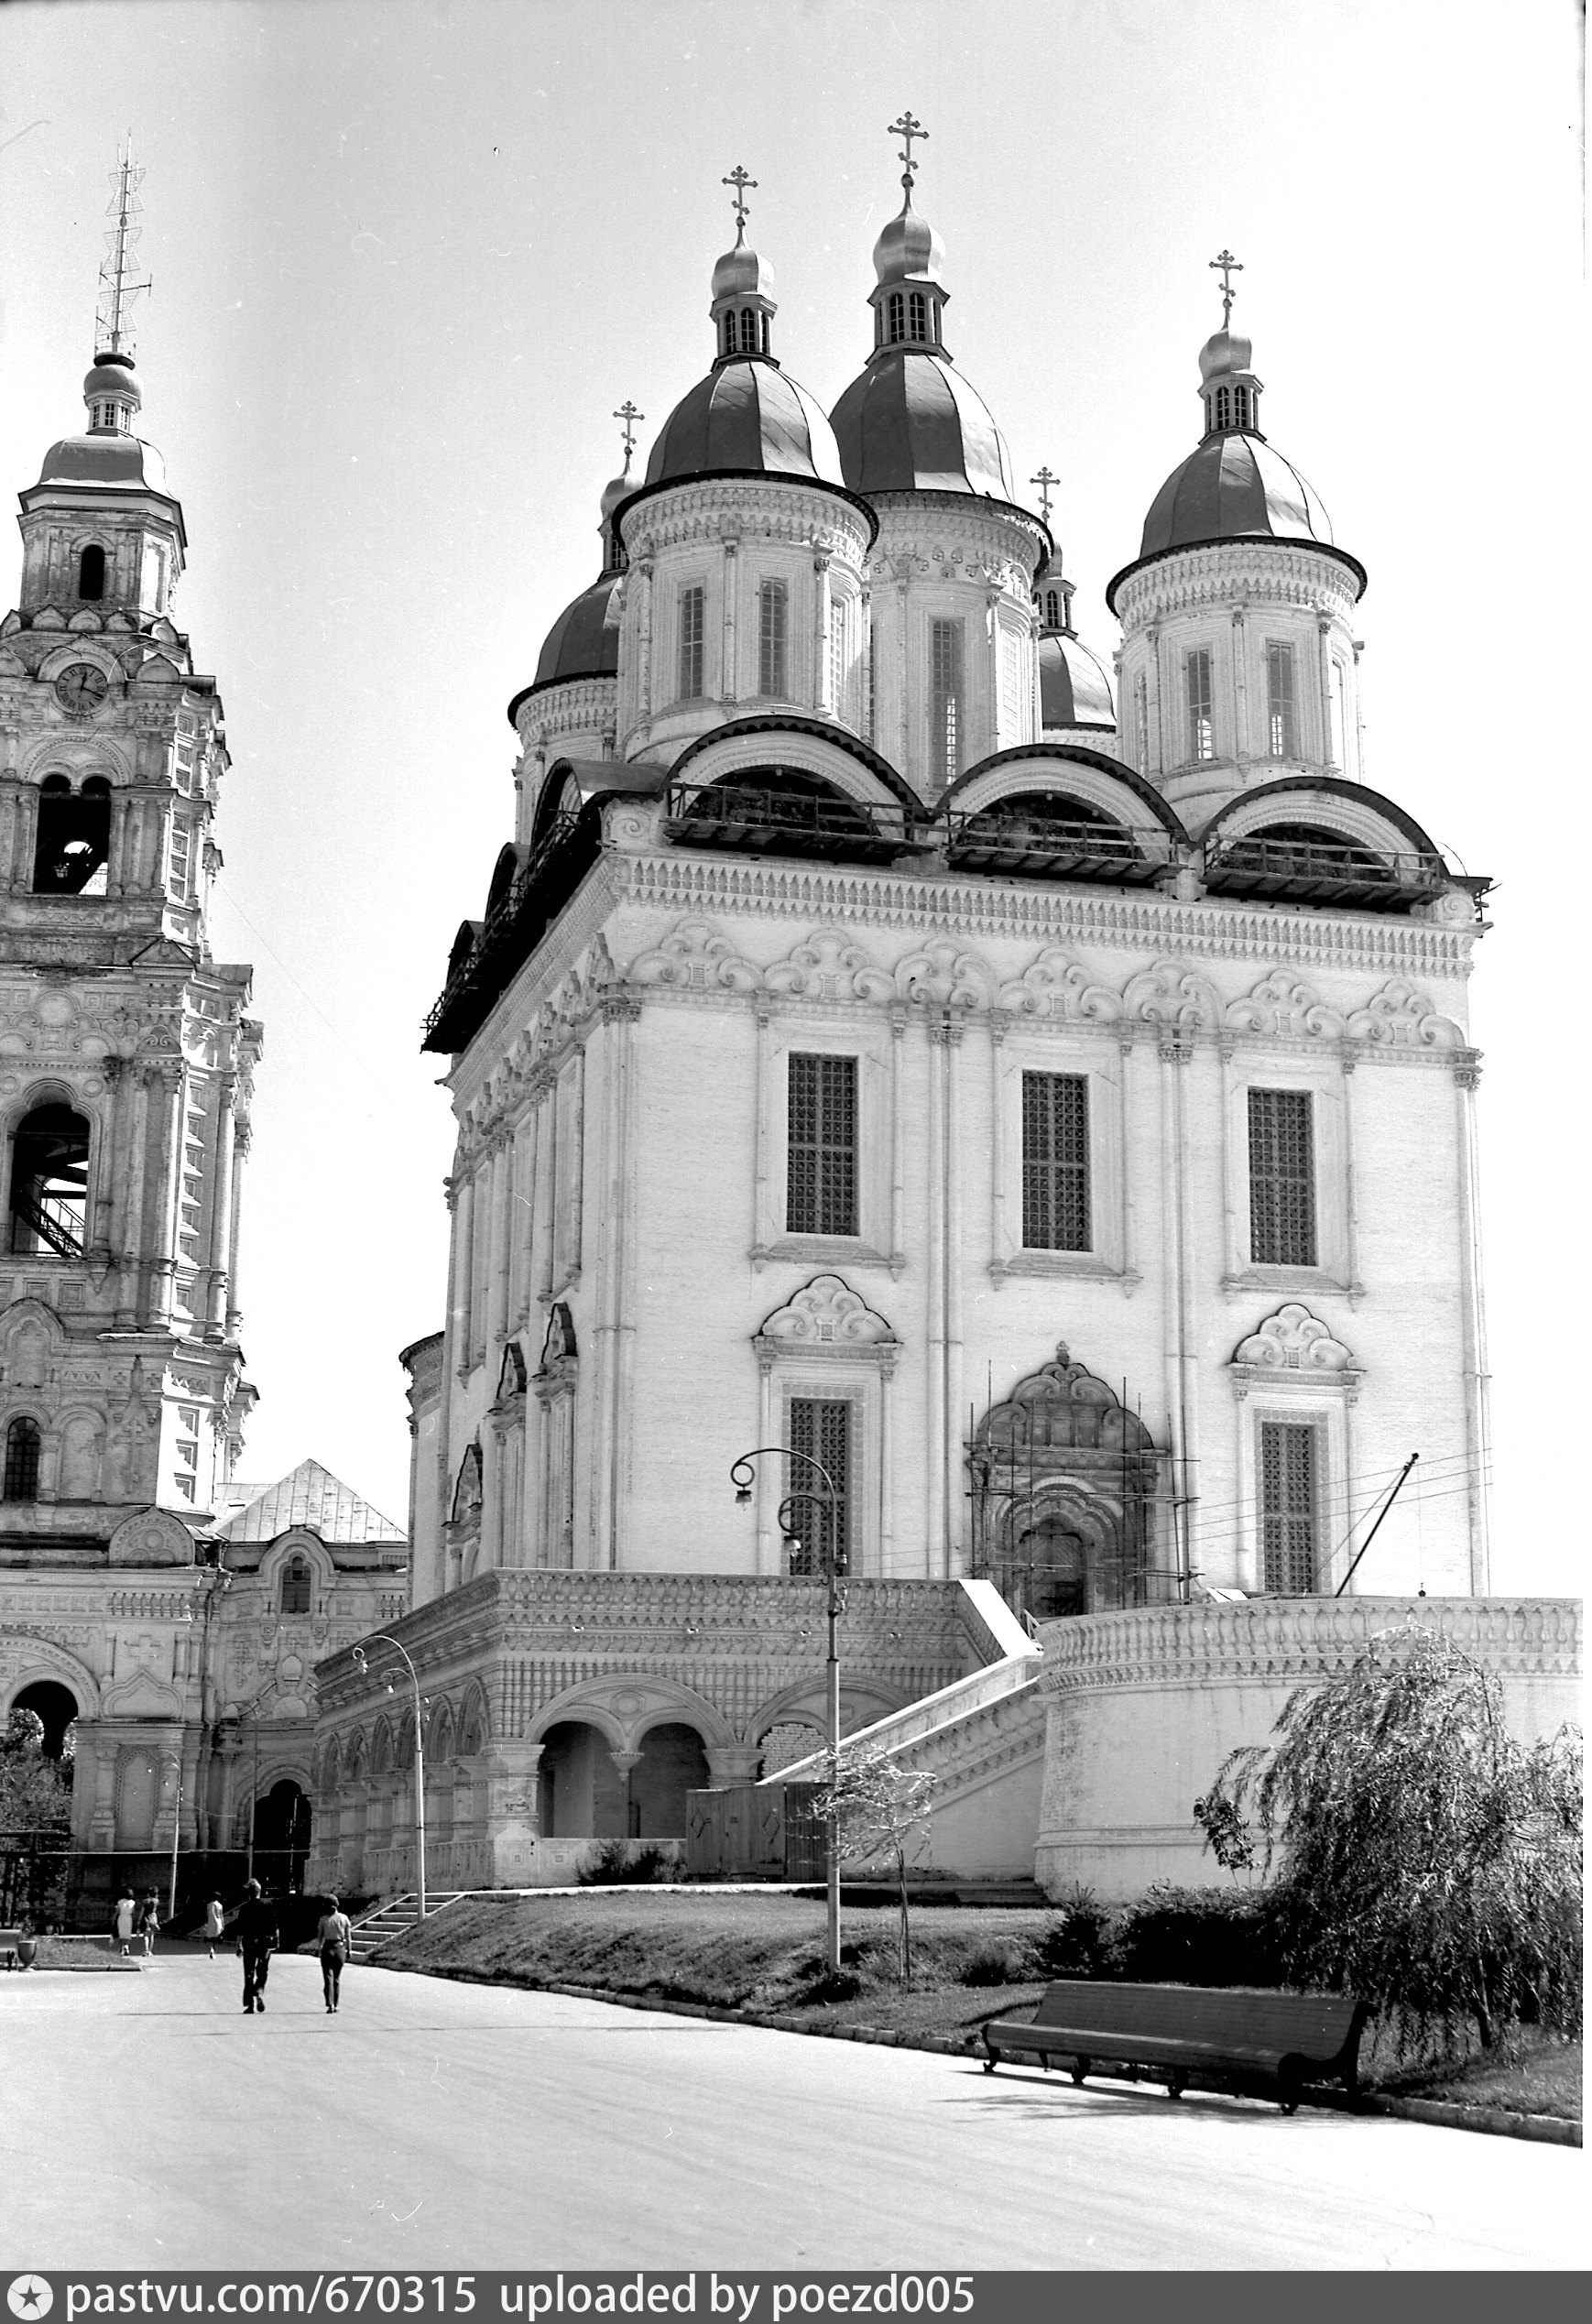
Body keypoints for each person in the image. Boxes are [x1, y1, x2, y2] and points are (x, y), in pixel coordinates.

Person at [234, 1879, 278, 2013]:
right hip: (264, 1943)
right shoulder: (268, 1905)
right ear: (259, 1892)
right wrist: (275, 1941)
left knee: (249, 1972)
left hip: (249, 1942)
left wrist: (238, 1946)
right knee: (263, 1970)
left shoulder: (245, 1907)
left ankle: (249, 2005)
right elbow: (274, 1926)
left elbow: (240, 1929)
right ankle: (258, 1990)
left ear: (249, 1894)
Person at [316, 1893, 353, 2013]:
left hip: (328, 1947)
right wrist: (349, 1950)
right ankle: (336, 2004)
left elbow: (320, 1936)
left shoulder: (323, 1919)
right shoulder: (344, 1918)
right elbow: (348, 1936)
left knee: (328, 1977)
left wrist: (318, 1948)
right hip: (340, 1948)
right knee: (336, 1978)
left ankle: (330, 2003)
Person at [110, 1885, 136, 1957]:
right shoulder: (133, 1902)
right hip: (129, 1918)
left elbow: (117, 1911)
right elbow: (133, 1912)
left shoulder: (120, 1902)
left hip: (121, 1917)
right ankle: (127, 1946)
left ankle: (121, 1948)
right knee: (128, 1934)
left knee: (121, 1934)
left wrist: (113, 1918)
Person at [203, 1893, 225, 1959]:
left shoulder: (209, 1905)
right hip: (218, 1924)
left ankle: (211, 1949)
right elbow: (221, 1916)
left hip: (211, 1923)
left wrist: (205, 1924)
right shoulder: (220, 1905)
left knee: (207, 1939)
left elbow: (207, 1916)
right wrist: (223, 1924)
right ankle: (213, 1951)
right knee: (215, 1939)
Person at [138, 1892, 159, 1958]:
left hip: (146, 1918)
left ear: (148, 1894)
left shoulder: (145, 1901)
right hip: (153, 1918)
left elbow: (142, 1911)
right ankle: (150, 1951)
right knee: (152, 1936)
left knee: (146, 1935)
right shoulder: (156, 1901)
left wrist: (139, 1920)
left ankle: (146, 1950)